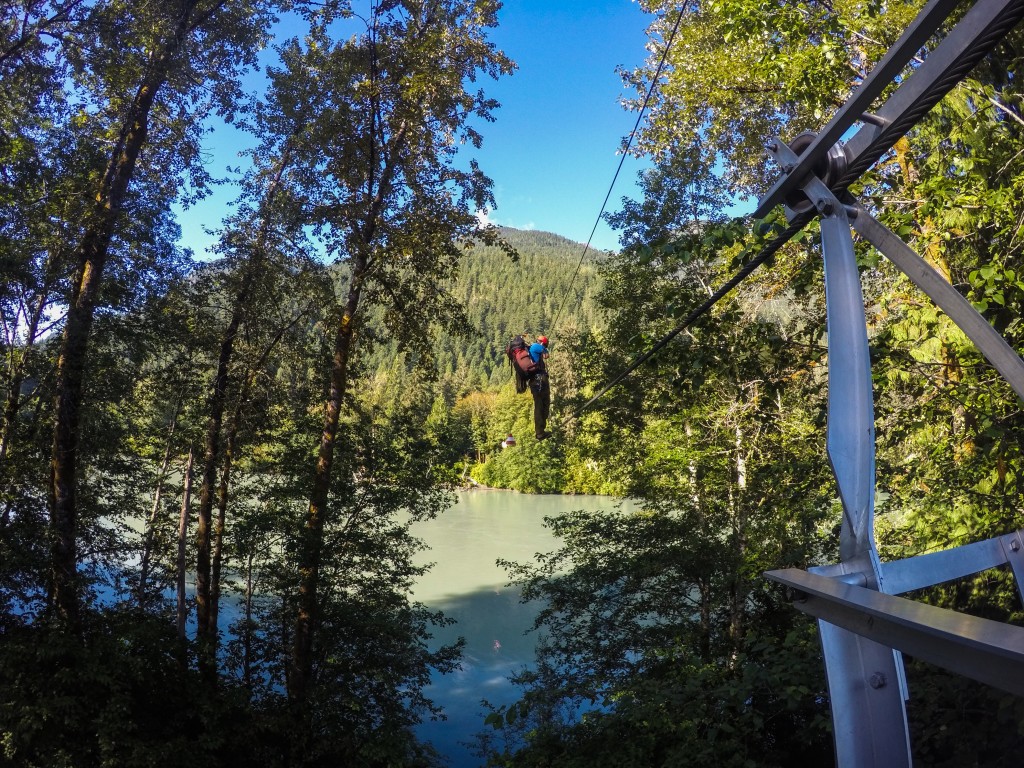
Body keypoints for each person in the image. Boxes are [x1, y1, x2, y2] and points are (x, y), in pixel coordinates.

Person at [528, 335, 551, 440]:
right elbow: (546, 356)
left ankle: (541, 431)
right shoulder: (537, 346)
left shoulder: (533, 348)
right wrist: (544, 348)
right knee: (540, 405)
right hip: (539, 380)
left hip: (536, 380)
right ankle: (540, 432)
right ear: (543, 343)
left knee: (543, 404)